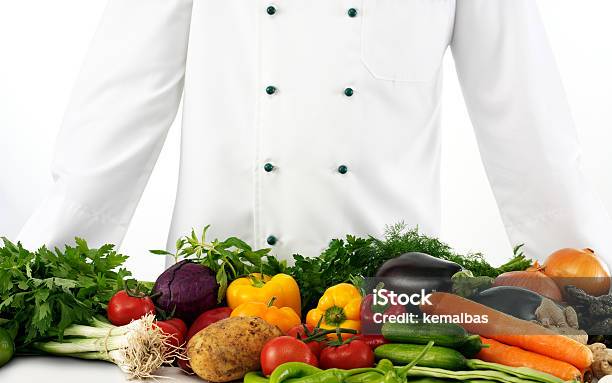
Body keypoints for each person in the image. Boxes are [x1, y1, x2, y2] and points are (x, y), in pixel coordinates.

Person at [17, 0, 612, 264]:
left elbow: (523, 114)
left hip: (391, 307)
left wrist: (586, 297)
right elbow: (125, 92)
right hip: (214, 301)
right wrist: (41, 269)